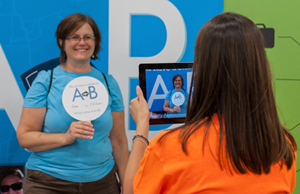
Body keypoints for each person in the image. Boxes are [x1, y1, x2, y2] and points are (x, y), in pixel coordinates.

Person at [123, 12, 297, 194]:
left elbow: (131, 191)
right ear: (259, 68)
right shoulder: (284, 147)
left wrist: (142, 127)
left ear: (199, 67)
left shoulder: (168, 148)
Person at [17, 13, 128, 194]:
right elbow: (25, 137)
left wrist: (127, 184)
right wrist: (65, 137)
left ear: (95, 42)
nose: (81, 43)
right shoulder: (46, 81)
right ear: (62, 42)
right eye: (74, 37)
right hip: (48, 183)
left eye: (87, 38)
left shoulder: (108, 83)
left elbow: (119, 142)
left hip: (102, 183)